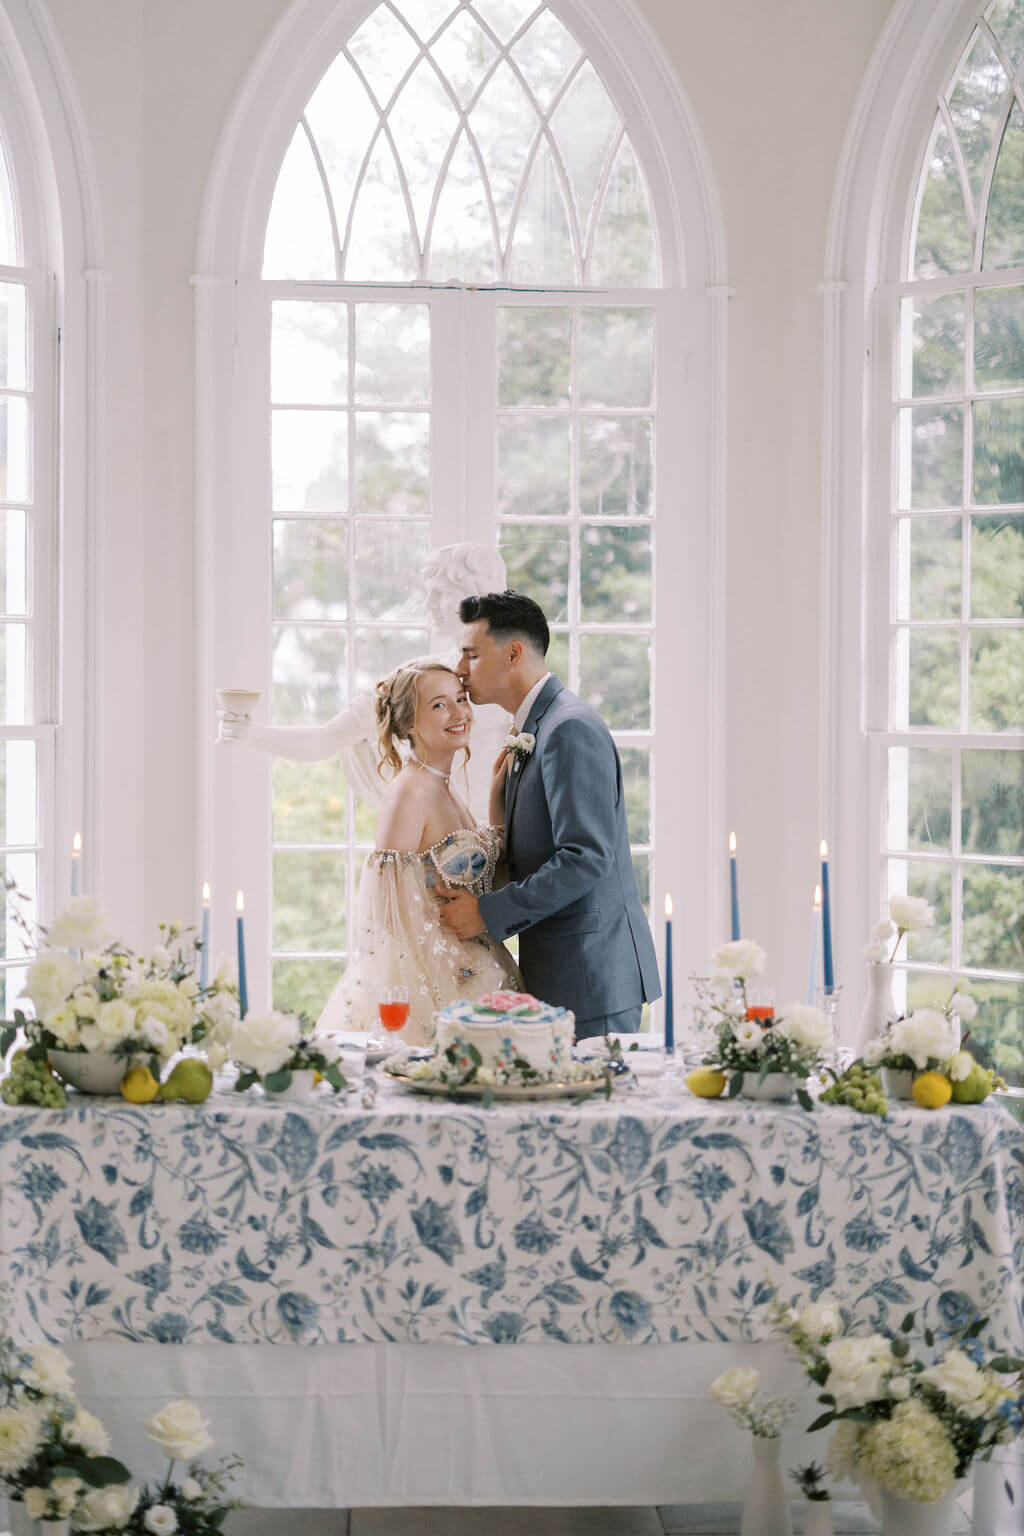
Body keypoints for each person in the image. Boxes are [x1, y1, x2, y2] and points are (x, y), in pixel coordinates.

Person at [437, 591, 661, 1041]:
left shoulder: (568, 727)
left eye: (471, 655)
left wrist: (486, 914)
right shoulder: (539, 726)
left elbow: (585, 857)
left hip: (590, 977)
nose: (460, 670)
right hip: (567, 971)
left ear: (513, 653)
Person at [317, 657, 521, 1044]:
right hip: (435, 977)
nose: (458, 712)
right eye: (439, 704)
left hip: (476, 961)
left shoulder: (441, 784)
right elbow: (391, 915)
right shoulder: (410, 791)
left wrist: (497, 802)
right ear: (410, 723)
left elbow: (478, 878)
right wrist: (439, 992)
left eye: (461, 699)